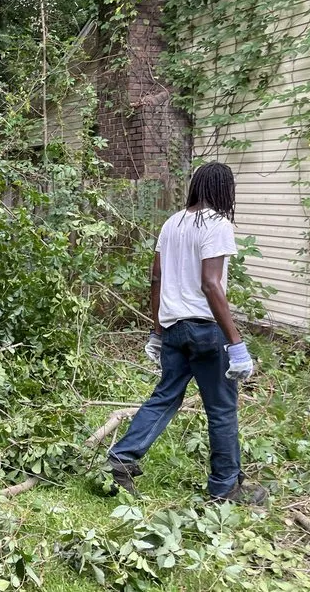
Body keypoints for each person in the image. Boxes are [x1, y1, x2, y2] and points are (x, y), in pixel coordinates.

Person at [106, 161, 267, 505]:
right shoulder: (218, 224)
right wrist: (236, 342)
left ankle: (122, 458)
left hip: (174, 330)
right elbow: (211, 284)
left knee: (165, 396)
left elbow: (156, 279)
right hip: (207, 332)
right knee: (222, 410)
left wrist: (156, 330)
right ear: (224, 190)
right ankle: (226, 488)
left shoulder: (172, 222)